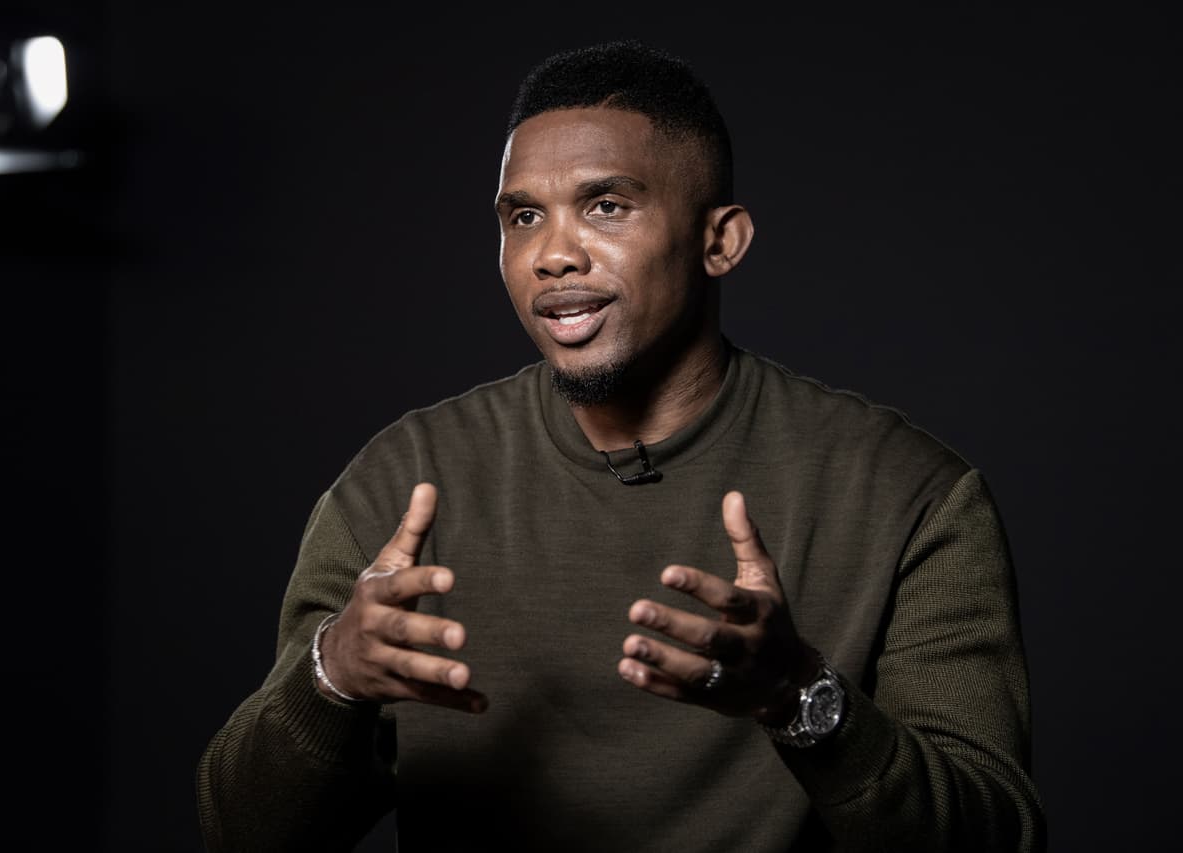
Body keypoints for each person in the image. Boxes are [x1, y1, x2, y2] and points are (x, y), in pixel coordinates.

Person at [196, 39, 1045, 852]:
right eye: (524, 215)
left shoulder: (911, 495)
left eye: (606, 205)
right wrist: (331, 677)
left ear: (721, 241)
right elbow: (240, 833)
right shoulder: (401, 485)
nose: (553, 254)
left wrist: (801, 699)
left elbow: (995, 834)